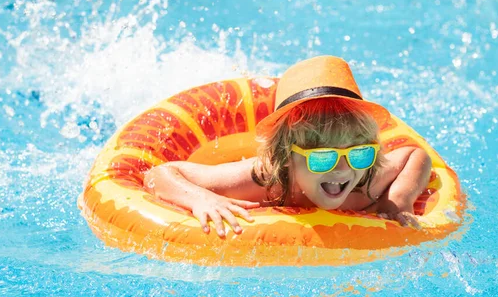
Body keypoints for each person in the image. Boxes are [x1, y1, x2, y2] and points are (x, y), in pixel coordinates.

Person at [144, 56, 432, 237]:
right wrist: (200, 199)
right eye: (322, 159)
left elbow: (414, 155)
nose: (343, 169)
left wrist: (398, 201)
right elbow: (160, 173)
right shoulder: (263, 181)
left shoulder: (365, 181)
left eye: (358, 153)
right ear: (286, 157)